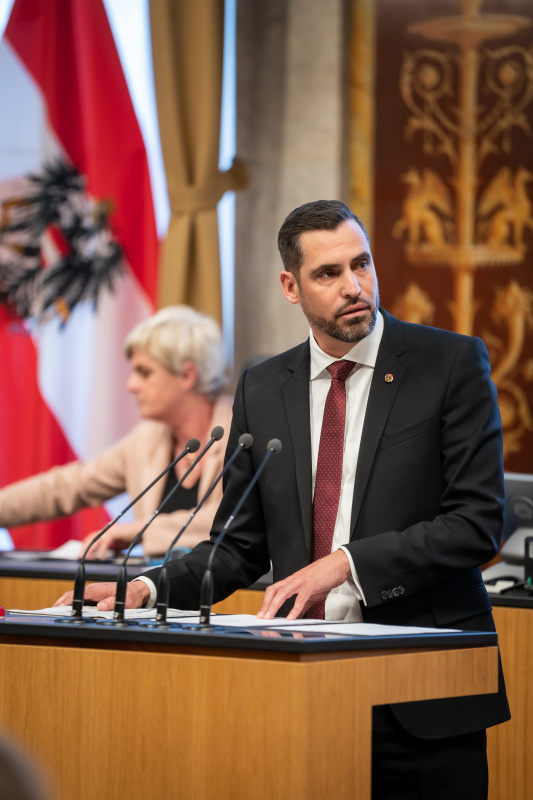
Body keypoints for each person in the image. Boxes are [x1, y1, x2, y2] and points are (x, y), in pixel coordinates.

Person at [57, 201, 510, 798]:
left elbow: (478, 523)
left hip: (420, 694)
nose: (354, 287)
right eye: (329, 274)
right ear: (290, 286)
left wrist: (345, 563)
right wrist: (143, 589)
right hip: (298, 691)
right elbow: (236, 547)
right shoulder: (265, 385)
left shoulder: (448, 363)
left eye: (362, 264)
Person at [0, 305, 232, 557]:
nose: (131, 385)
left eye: (144, 372)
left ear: (186, 375)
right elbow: (67, 486)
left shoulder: (243, 431)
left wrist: (141, 530)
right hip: (158, 590)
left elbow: (233, 519)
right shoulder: (147, 439)